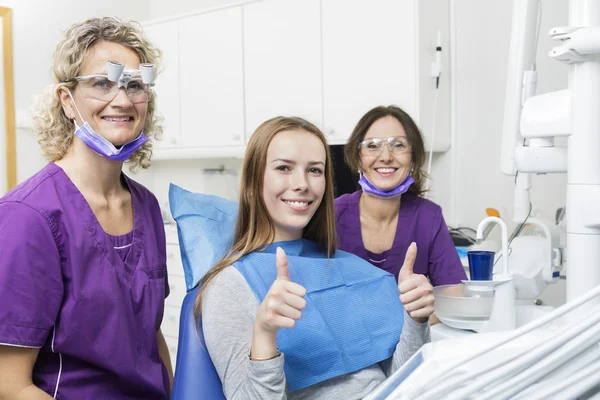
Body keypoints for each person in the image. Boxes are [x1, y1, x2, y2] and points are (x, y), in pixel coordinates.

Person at [198, 116, 434, 399]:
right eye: (284, 168)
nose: (302, 184)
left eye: (314, 170)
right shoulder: (230, 286)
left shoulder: (353, 270)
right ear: (253, 181)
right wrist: (264, 334)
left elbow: (405, 379)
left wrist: (415, 320)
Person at [0, 17, 172, 399]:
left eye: (135, 85)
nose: (123, 100)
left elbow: (149, 336)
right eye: (102, 83)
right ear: (67, 100)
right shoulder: (28, 217)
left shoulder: (145, 205)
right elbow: (9, 385)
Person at [335, 105, 467, 290]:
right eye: (372, 146)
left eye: (398, 145)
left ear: (413, 158)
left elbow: (455, 295)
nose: (386, 157)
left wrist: (418, 317)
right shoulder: (332, 215)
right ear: (358, 159)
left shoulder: (428, 218)